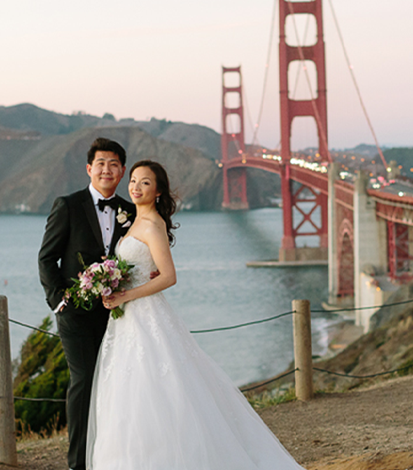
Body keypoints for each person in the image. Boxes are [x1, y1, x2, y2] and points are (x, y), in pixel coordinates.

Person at [87, 160, 306, 470]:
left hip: (144, 312)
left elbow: (168, 276)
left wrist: (128, 294)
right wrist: (112, 283)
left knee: (156, 387)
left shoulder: (152, 225)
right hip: (127, 317)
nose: (135, 187)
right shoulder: (134, 223)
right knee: (127, 393)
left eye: (145, 182)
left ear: (158, 190)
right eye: (133, 181)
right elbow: (138, 268)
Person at [38, 137, 136, 470]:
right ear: (89, 168)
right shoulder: (67, 204)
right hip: (76, 314)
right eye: (101, 163)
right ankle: (78, 464)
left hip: (120, 315)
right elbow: (47, 257)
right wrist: (59, 301)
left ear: (122, 171)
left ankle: (112, 456)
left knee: (118, 382)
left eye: (114, 164)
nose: (106, 169)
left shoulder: (130, 210)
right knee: (83, 381)